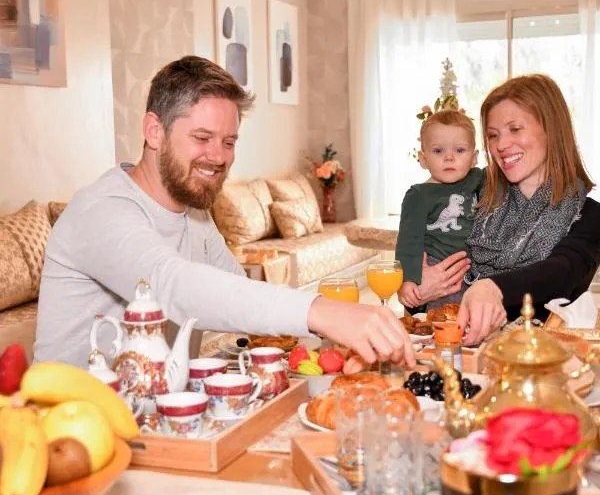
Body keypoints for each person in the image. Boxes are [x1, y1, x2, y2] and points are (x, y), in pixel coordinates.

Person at [34, 56, 414, 370]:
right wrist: (323, 312)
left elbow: (240, 293)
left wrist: (325, 342)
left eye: (228, 142)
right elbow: (174, 287)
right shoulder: (101, 211)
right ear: (154, 131)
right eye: (202, 138)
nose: (218, 157)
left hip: (160, 416)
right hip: (73, 432)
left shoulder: (195, 214)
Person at [413, 74, 600, 344]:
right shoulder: (471, 199)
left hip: (539, 369)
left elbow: (562, 272)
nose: (500, 145)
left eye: (515, 129)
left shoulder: (589, 215)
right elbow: (421, 304)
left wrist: (492, 287)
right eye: (493, 135)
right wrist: (420, 289)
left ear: (551, 129)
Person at [396, 109, 483, 310]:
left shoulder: (476, 179)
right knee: (445, 320)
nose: (449, 158)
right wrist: (408, 279)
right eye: (438, 151)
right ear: (423, 159)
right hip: (438, 266)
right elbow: (409, 241)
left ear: (474, 157)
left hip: (474, 269)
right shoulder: (419, 195)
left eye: (459, 150)